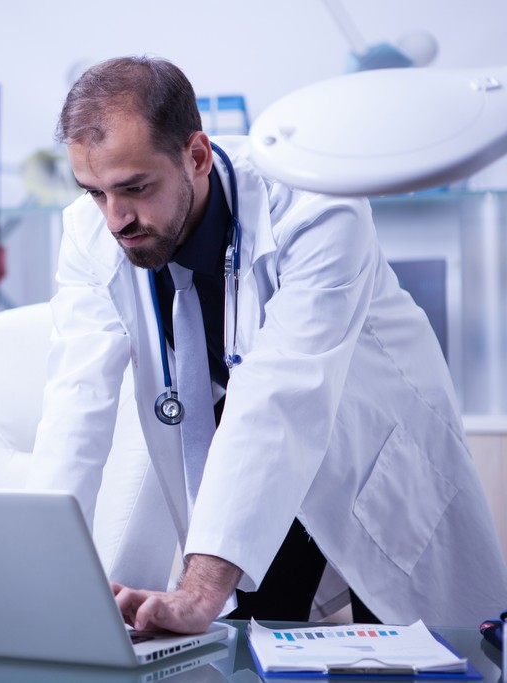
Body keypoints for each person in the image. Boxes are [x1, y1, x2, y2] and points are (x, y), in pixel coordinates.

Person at [26, 55, 507, 633]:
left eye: (135, 187)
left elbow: (282, 393)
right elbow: (75, 403)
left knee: (419, 654)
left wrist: (199, 588)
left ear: (197, 155)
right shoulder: (89, 231)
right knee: (256, 648)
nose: (116, 219)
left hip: (371, 450)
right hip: (253, 466)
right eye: (95, 192)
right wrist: (39, 572)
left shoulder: (316, 202)